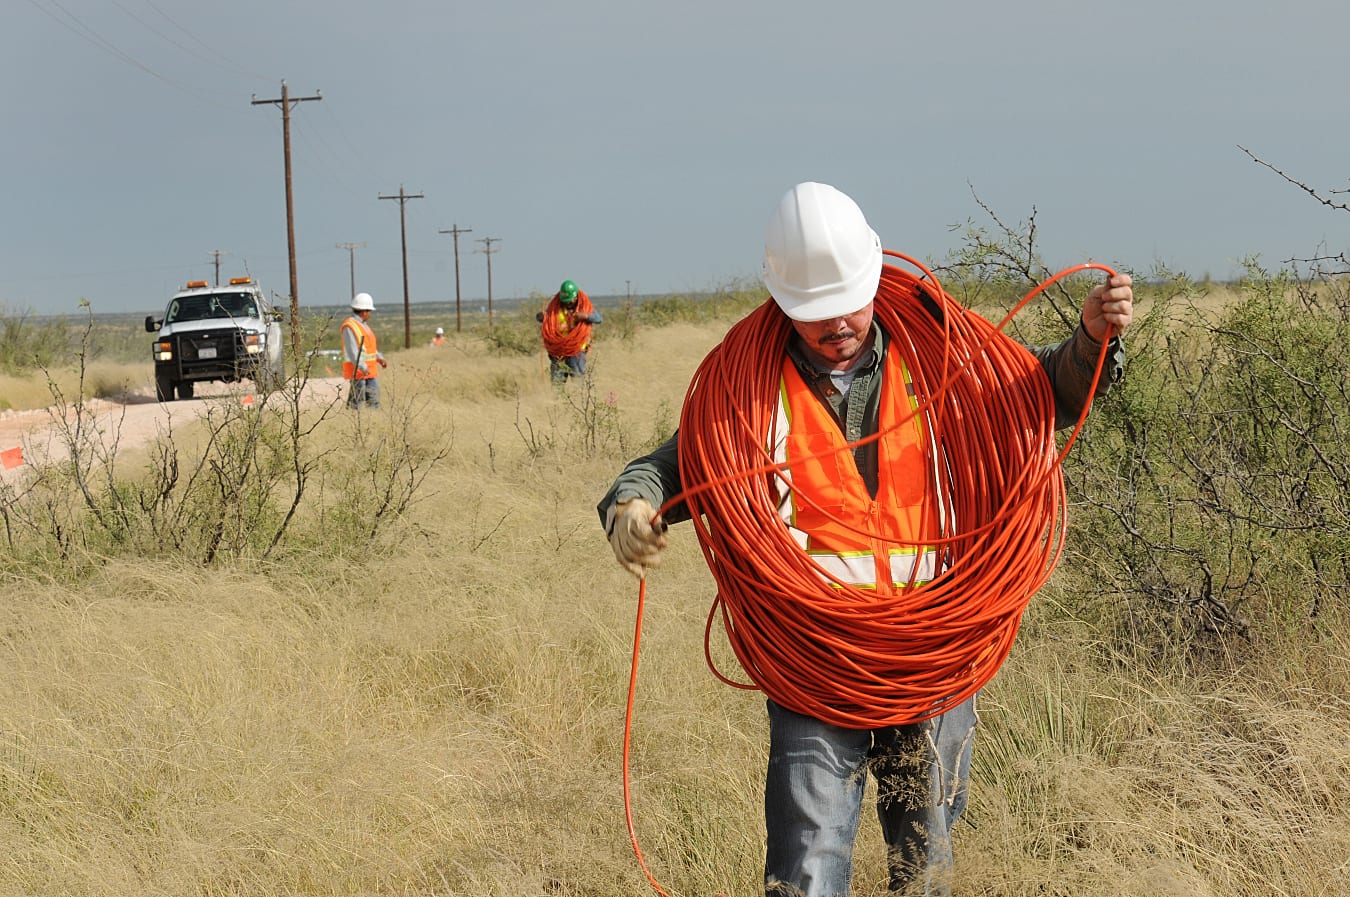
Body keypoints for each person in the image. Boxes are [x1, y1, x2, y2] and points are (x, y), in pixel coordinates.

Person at [596, 182, 1135, 897]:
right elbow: (679, 460)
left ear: (874, 277)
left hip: (933, 655)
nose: (836, 324)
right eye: (814, 312)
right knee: (808, 863)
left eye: (848, 302)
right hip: (814, 664)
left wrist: (1092, 341)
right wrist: (633, 503)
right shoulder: (746, 394)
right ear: (783, 304)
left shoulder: (945, 359)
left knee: (927, 860)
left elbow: (1041, 393)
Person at [536, 279, 603, 382]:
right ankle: (557, 399)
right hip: (558, 352)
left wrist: (585, 316)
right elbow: (544, 318)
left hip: (576, 352)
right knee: (557, 386)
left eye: (571, 299)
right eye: (566, 300)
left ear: (576, 296)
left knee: (578, 383)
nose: (569, 302)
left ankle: (579, 398)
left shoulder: (583, 308)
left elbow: (599, 318)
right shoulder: (554, 310)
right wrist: (541, 317)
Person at [340, 292, 388, 410]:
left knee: (373, 402)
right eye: (369, 311)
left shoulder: (364, 326)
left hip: (370, 371)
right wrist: (362, 366)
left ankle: (373, 425)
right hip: (358, 372)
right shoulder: (350, 326)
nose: (370, 314)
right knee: (356, 404)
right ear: (364, 311)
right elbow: (352, 351)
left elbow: (369, 347)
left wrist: (379, 357)